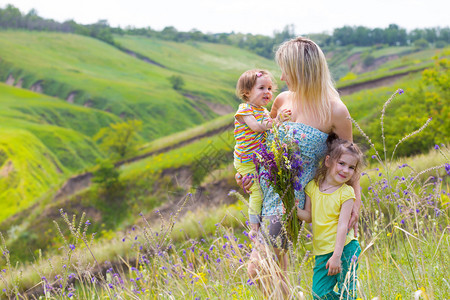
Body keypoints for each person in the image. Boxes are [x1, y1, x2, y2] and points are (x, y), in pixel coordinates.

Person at [236, 37, 361, 282]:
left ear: (301, 70)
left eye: (286, 70)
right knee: (275, 273)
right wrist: (244, 174)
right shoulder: (283, 99)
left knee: (258, 269)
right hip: (264, 192)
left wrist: (355, 203)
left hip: (290, 200)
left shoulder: (336, 110)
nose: (282, 77)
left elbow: (350, 161)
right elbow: (263, 143)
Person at [296, 134, 363, 299]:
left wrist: (337, 256)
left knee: (347, 293)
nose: (345, 170)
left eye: (351, 167)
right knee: (319, 294)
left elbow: (342, 226)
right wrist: (292, 209)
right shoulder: (312, 187)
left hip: (345, 249)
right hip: (322, 252)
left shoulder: (346, 193)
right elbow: (309, 216)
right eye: (341, 164)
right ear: (328, 161)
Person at [233, 69, 290, 235]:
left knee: (263, 189)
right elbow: (257, 128)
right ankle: (254, 229)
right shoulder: (245, 109)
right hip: (246, 159)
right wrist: (277, 120)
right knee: (256, 192)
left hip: (258, 159)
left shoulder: (263, 111)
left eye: (270, 89)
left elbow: (270, 130)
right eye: (262, 88)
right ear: (247, 92)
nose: (267, 92)